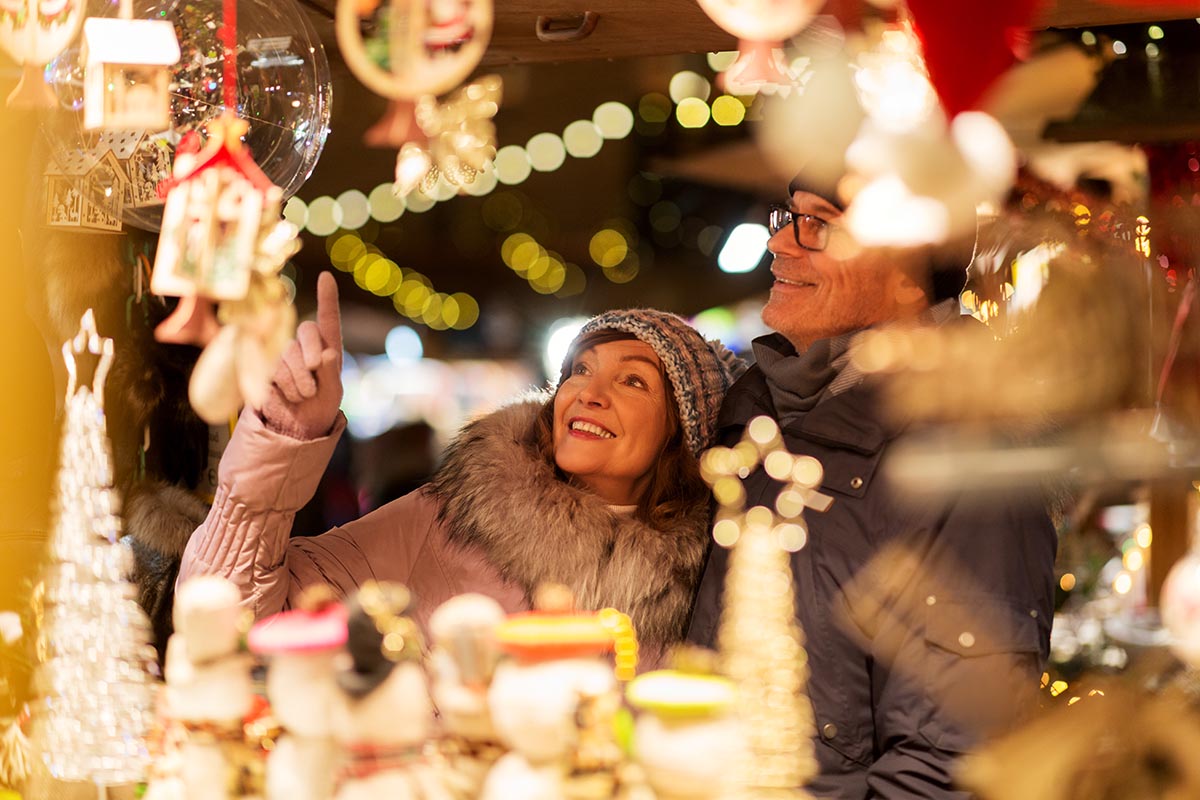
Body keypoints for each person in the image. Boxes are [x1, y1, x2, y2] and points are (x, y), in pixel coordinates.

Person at [687, 174, 1058, 797]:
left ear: (911, 270)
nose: (780, 245)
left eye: (820, 224)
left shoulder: (965, 450)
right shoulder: (755, 414)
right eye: (788, 217)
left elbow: (952, 761)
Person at [177, 272, 743, 664]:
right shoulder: (452, 518)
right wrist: (282, 440)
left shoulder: (706, 584)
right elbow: (230, 617)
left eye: (633, 380)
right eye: (580, 369)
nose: (588, 393)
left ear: (683, 433)